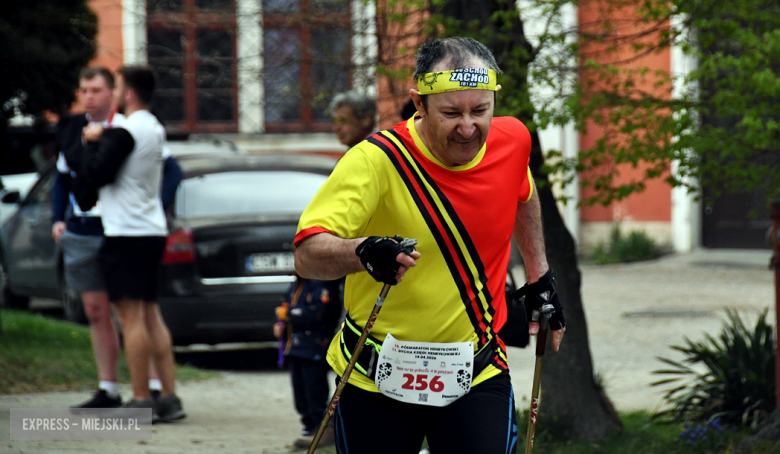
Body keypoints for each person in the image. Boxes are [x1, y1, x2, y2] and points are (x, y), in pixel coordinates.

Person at [293, 37, 566, 454]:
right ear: (419, 104)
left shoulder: (512, 140)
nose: (468, 126)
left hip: (476, 372)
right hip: (376, 375)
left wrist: (538, 272)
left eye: (480, 110)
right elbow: (307, 254)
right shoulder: (374, 161)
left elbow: (523, 192)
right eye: (451, 113)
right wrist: (363, 251)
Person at [53, 67, 182, 409]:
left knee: (130, 318)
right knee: (152, 314)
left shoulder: (125, 130)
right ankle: (168, 396)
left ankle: (141, 398)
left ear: (128, 94)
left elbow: (93, 178)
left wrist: (90, 143)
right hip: (151, 229)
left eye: (118, 85)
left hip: (126, 233)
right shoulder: (154, 127)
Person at [273, 276, 342, 449]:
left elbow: (317, 313)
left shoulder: (323, 284)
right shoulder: (296, 285)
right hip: (295, 347)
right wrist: (280, 325)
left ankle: (319, 430)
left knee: (314, 390)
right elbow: (286, 306)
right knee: (300, 393)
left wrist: (287, 315)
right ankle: (308, 428)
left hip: (315, 348)